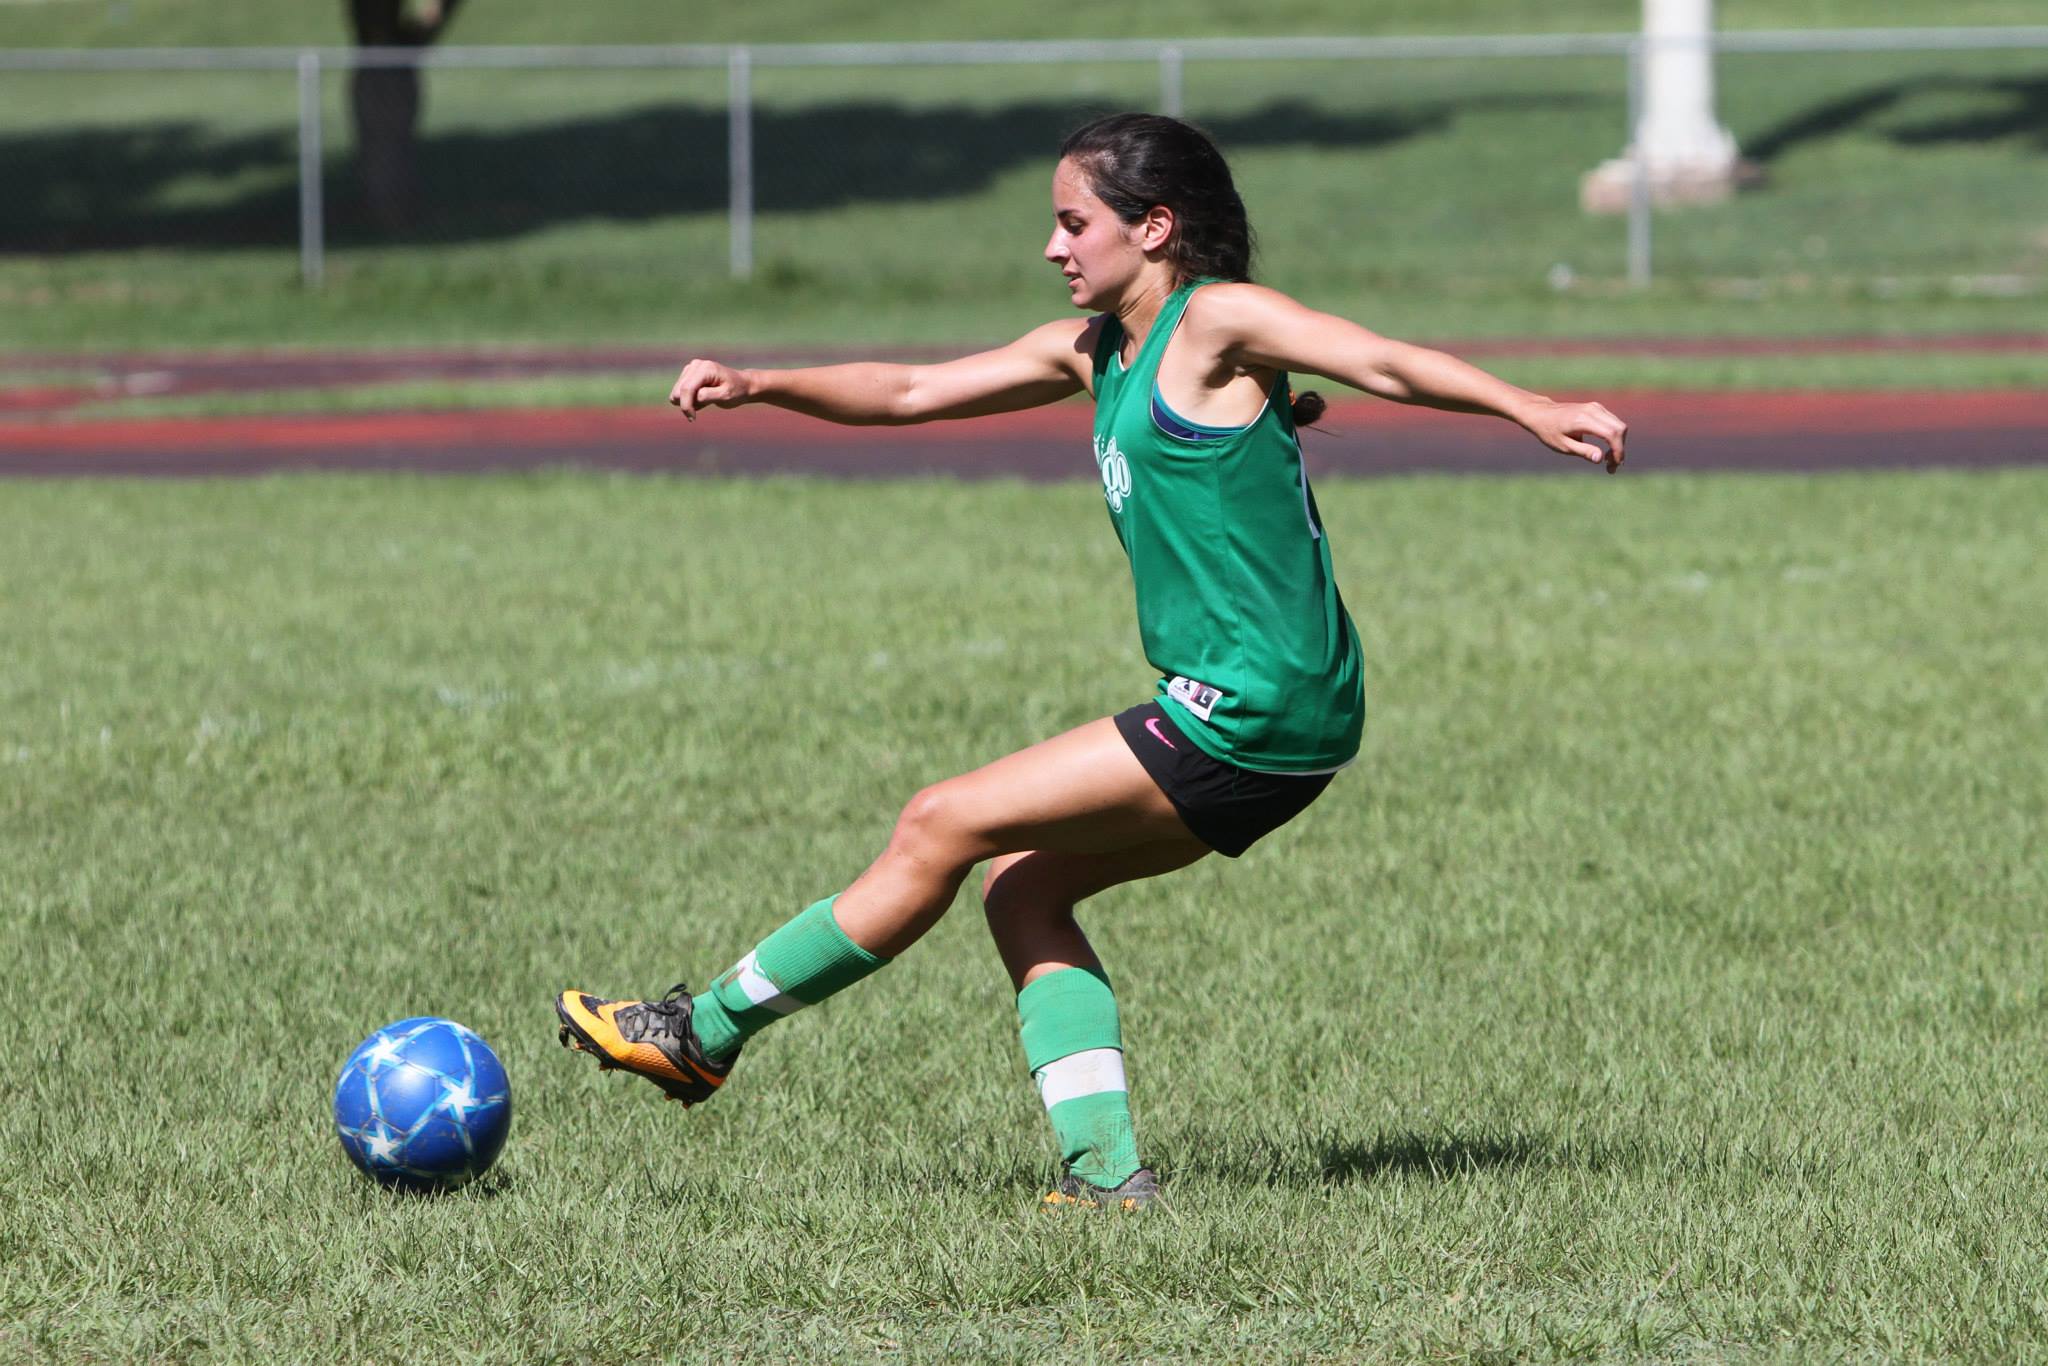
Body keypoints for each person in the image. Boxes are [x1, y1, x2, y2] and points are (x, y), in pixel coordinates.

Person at [556, 112, 1627, 1211]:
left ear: (1152, 227)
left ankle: (703, 1032)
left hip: (1249, 709)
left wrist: (1527, 406)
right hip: (1284, 721)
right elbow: (914, 390)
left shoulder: (1214, 321)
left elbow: (1378, 357)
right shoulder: (1093, 351)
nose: (1053, 246)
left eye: (1074, 222)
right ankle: (1106, 1174)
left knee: (939, 819)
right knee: (1022, 889)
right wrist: (760, 383)